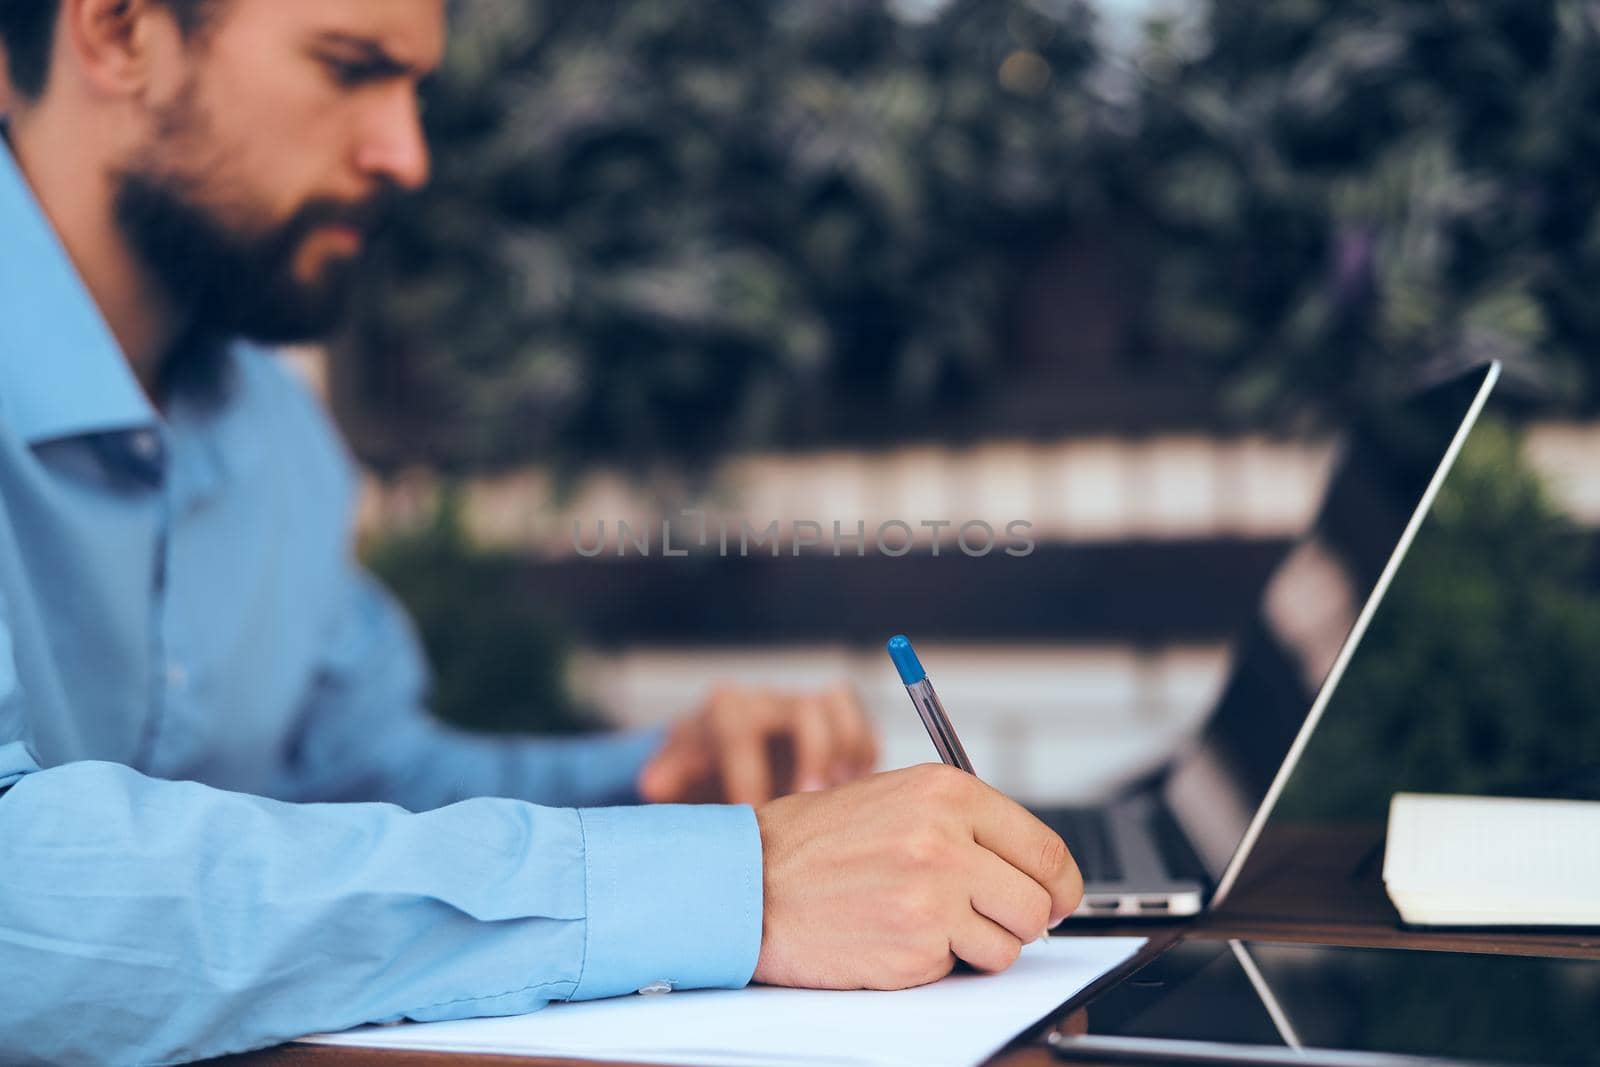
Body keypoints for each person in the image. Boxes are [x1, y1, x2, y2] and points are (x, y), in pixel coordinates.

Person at [0, 1, 1085, 1062]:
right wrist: (735, 881)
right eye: (349, 64)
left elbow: (351, 772)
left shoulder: (278, 435)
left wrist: (659, 787)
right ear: (119, 30)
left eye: (414, 87)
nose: (405, 154)